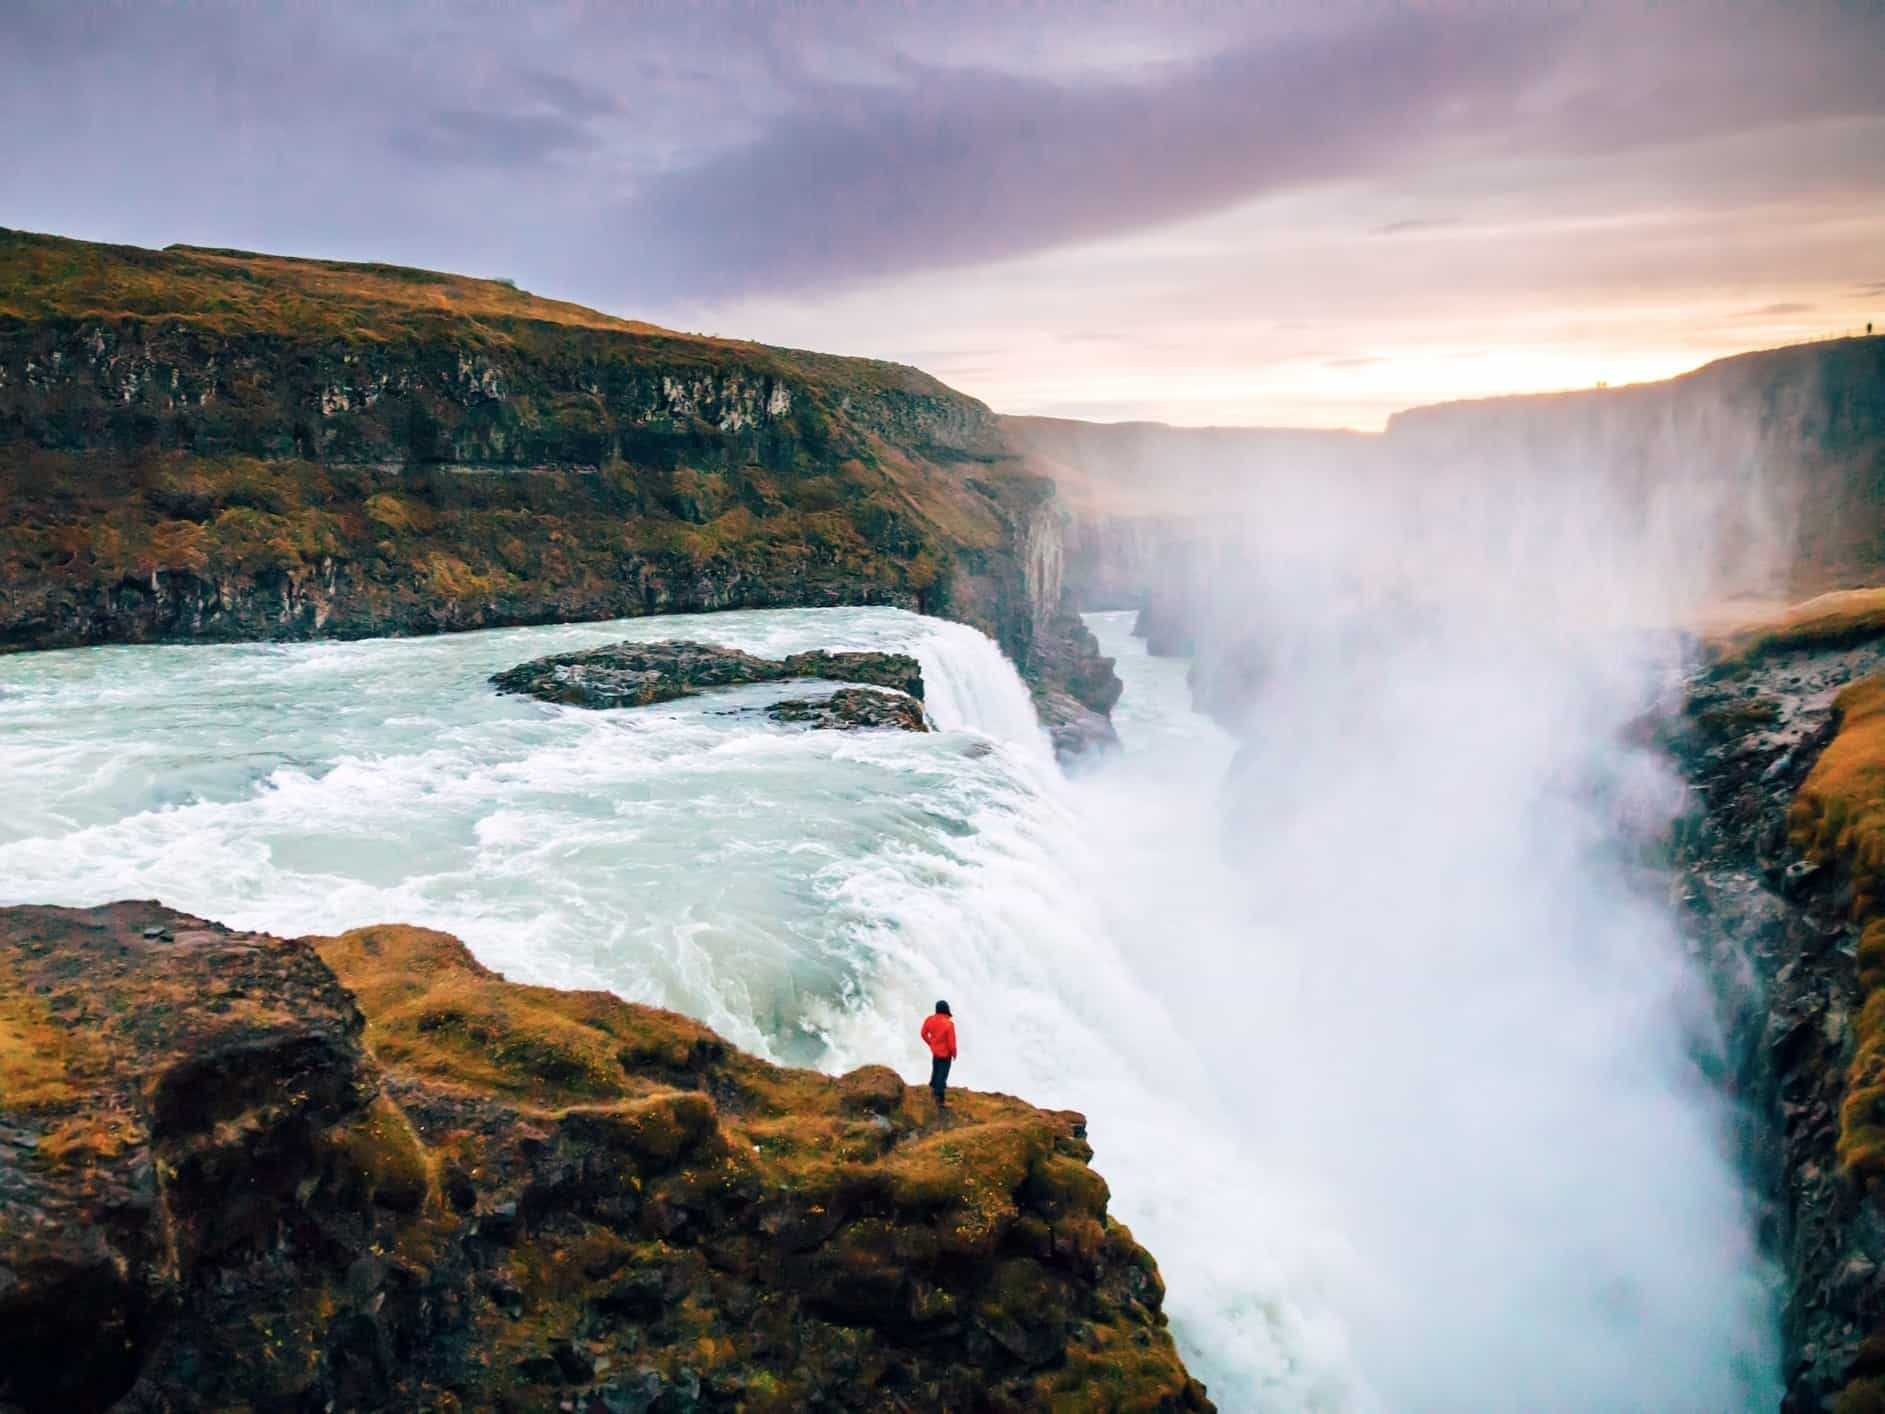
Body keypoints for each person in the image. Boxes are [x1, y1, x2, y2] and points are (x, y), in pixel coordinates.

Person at [920, 1000, 956, 1110]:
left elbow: (923, 1033)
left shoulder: (930, 1019)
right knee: (942, 1075)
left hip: (935, 1052)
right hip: (945, 1054)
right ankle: (940, 1100)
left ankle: (932, 1087)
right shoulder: (949, 1024)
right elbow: (951, 1042)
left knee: (936, 1070)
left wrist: (931, 1043)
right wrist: (954, 1053)